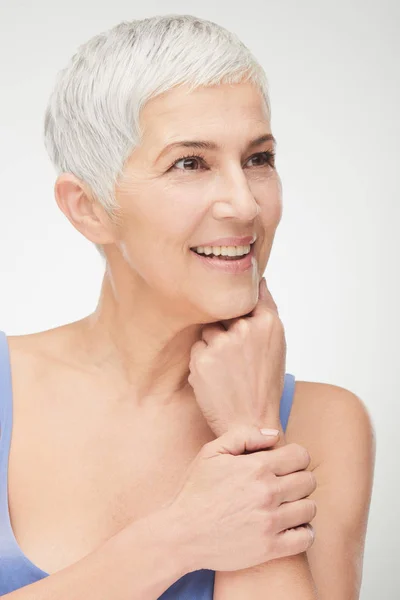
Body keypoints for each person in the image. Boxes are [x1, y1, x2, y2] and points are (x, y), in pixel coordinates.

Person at [0, 13, 375, 600]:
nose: (245, 204)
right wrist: (182, 538)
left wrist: (253, 433)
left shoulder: (324, 424)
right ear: (88, 208)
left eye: (258, 158)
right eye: (190, 163)